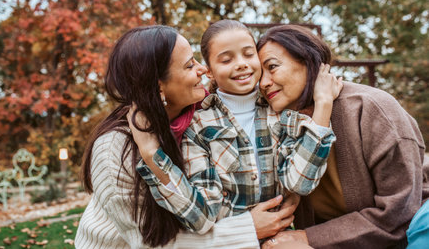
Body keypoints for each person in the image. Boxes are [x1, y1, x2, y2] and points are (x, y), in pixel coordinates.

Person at [75, 25, 307, 249]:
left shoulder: (199, 116)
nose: (203, 70)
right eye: (189, 66)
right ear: (159, 87)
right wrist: (249, 228)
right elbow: (147, 245)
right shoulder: (113, 150)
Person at [131, 20, 342, 235]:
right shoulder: (199, 126)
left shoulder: (279, 112)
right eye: (226, 59)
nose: (241, 64)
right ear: (210, 72)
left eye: (249, 54)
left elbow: (299, 183)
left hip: (281, 240)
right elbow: (201, 219)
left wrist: (323, 105)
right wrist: (152, 157)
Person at [256, 24, 428, 249]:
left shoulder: (372, 109)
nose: (263, 83)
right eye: (259, 75)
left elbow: (400, 214)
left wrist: (308, 238)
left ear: (309, 62)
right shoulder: (273, 124)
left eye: (272, 67)